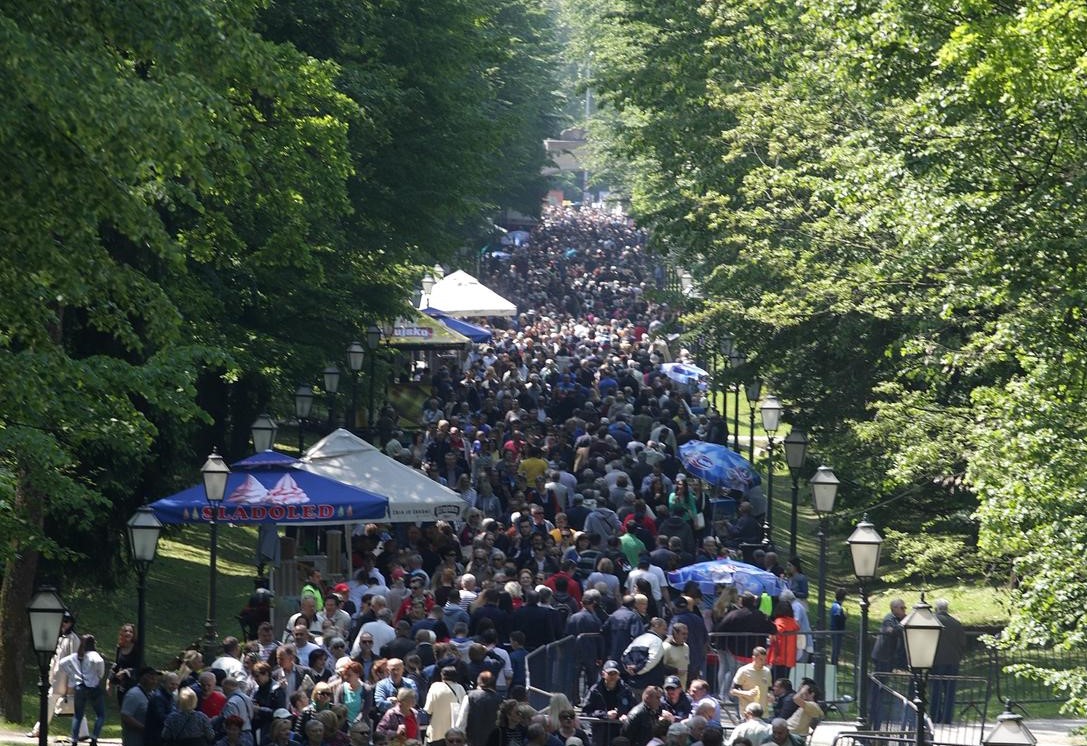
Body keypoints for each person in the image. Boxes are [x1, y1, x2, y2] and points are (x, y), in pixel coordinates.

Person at [27, 610, 87, 741]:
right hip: (57, 678)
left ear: (71, 623)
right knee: (70, 705)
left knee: (56, 703)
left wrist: (71, 683)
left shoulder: (73, 639)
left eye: (66, 621)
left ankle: (39, 729)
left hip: (65, 680)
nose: (64, 624)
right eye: (62, 621)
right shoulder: (60, 638)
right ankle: (83, 732)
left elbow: (74, 662)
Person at [57, 633, 107, 746]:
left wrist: (72, 674)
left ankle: (74, 740)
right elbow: (100, 666)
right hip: (93, 687)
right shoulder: (94, 655)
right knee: (101, 714)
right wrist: (98, 676)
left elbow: (62, 663)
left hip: (80, 687)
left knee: (78, 715)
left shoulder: (76, 656)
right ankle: (94, 738)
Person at [869, 598, 906, 730]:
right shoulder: (889, 619)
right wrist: (903, 625)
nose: (904, 610)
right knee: (878, 688)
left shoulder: (898, 619)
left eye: (904, 608)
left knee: (881, 688)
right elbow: (890, 631)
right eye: (902, 608)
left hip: (888, 658)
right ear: (894, 608)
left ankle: (877, 715)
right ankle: (874, 716)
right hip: (882, 658)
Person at [581, 661, 636, 746]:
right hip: (600, 734)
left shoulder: (626, 690)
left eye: (615, 673)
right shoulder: (595, 691)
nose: (613, 676)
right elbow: (586, 712)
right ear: (603, 674)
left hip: (619, 733)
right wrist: (605, 715)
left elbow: (634, 709)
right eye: (610, 673)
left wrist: (626, 715)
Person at [930, 598, 967, 725]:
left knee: (936, 689)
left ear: (936, 608)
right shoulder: (956, 623)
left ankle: (935, 716)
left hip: (936, 660)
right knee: (950, 691)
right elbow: (962, 643)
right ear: (947, 609)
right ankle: (947, 718)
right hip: (953, 660)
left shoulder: (932, 622)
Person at [453, 671, 503, 745]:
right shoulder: (500, 699)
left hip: (473, 740)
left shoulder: (470, 696)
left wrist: (457, 737)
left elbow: (462, 719)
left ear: (478, 682)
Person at [422, 666, 466, 746]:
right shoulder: (460, 688)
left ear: (442, 675)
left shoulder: (435, 687)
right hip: (453, 733)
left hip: (436, 732)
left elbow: (428, 709)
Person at [121, 667, 162, 746]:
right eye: (152, 679)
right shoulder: (133, 694)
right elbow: (125, 716)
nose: (155, 682)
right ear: (143, 678)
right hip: (134, 741)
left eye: (156, 679)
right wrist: (145, 729)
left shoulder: (152, 694)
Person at [730, 647, 771, 715]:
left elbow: (769, 689)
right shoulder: (743, 670)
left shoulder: (767, 671)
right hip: (748, 712)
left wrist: (770, 695)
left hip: (763, 712)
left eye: (765, 660)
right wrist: (747, 693)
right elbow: (732, 691)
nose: (763, 662)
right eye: (761, 659)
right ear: (754, 658)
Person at [110, 623, 142, 707]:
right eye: (126, 631)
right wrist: (110, 681)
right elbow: (116, 664)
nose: (128, 633)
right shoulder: (119, 648)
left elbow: (139, 667)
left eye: (131, 632)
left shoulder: (137, 649)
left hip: (133, 685)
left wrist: (125, 672)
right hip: (121, 685)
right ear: (122, 634)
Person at [829, 588, 846, 666]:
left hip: (834, 630)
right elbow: (838, 619)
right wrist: (844, 617)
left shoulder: (835, 606)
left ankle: (834, 665)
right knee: (836, 650)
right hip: (837, 631)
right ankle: (834, 665)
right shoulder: (838, 607)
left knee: (835, 650)